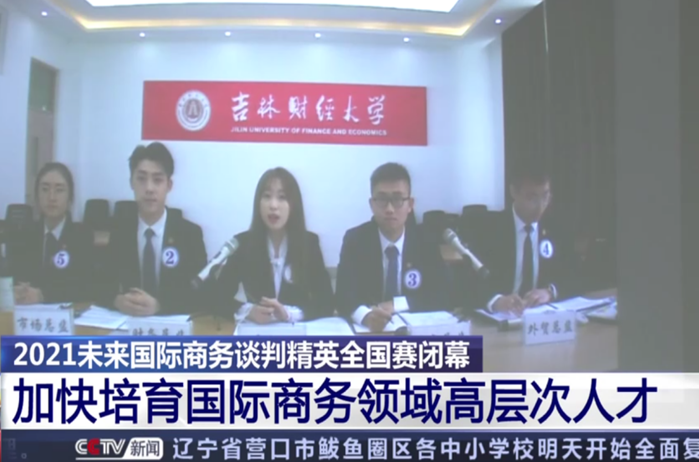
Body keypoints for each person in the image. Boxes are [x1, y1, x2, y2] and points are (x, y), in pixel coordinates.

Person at [210, 168, 334, 323]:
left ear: (294, 204)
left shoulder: (309, 243)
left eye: (282, 197)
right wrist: (248, 311)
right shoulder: (243, 244)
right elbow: (218, 298)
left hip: (295, 332)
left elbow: (326, 302)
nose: (273, 205)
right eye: (267, 196)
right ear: (258, 203)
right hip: (257, 332)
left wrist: (289, 314)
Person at [336, 163, 447, 331]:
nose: (389, 209)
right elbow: (343, 296)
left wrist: (397, 304)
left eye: (397, 200)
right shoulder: (355, 240)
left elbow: (443, 293)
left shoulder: (425, 240)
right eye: (381, 200)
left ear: (410, 204)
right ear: (372, 204)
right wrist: (365, 316)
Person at [459, 163, 575, 315]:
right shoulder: (488, 229)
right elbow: (469, 282)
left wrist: (549, 291)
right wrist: (496, 301)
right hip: (501, 320)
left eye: (545, 197)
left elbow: (574, 274)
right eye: (532, 198)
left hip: (541, 317)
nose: (540, 206)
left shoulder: (556, 228)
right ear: (514, 192)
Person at [105, 142, 207, 316]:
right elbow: (99, 284)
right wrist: (116, 300)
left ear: (169, 185)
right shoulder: (120, 230)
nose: (149, 188)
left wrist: (160, 306)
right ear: (131, 183)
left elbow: (202, 293)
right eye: (141, 179)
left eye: (157, 180)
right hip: (129, 324)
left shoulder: (189, 235)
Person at [14, 162, 96, 304]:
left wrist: (43, 295)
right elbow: (18, 276)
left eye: (59, 190)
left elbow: (84, 287)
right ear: (37, 195)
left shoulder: (82, 236)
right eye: (45, 189)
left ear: (70, 197)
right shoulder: (25, 234)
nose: (51, 197)